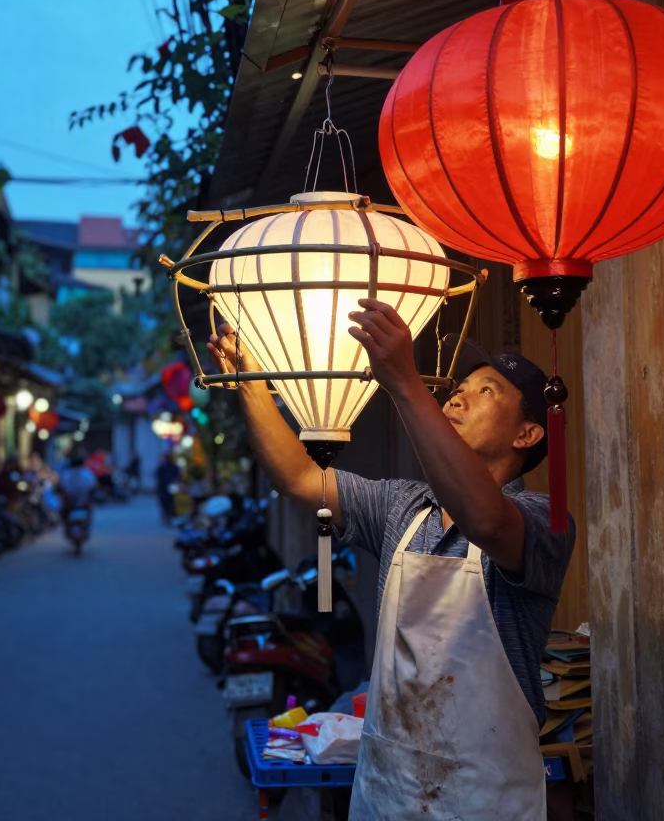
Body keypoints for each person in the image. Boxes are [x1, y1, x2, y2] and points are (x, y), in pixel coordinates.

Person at [208, 299, 575, 820]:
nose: (457, 400)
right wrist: (250, 380)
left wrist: (405, 382)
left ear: (527, 434)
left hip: (484, 800)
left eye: (484, 391)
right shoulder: (402, 506)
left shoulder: (543, 521)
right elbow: (299, 479)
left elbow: (486, 521)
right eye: (457, 391)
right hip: (387, 791)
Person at [155, 453, 181, 524]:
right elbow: (158, 477)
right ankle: (166, 515)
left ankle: (171, 515)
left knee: (172, 501)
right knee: (164, 502)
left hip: (171, 487)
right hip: (163, 488)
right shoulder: (162, 468)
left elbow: (178, 476)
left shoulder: (174, 467)